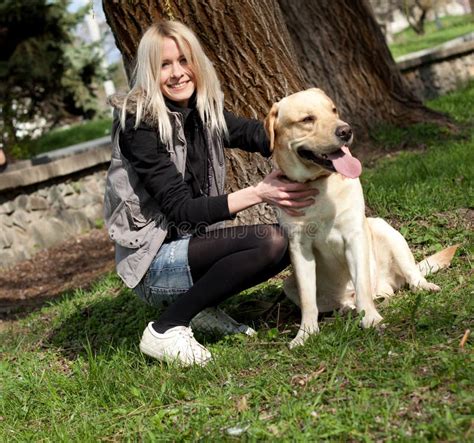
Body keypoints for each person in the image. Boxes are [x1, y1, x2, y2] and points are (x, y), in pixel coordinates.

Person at [104, 20, 317, 367]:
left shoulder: (204, 111)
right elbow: (183, 210)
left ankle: (201, 309)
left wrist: (313, 139)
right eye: (164, 65)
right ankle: (166, 327)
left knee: (285, 244)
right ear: (149, 71)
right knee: (271, 242)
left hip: (193, 249)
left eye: (184, 60)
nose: (177, 73)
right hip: (152, 264)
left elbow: (256, 135)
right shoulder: (139, 123)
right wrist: (261, 192)